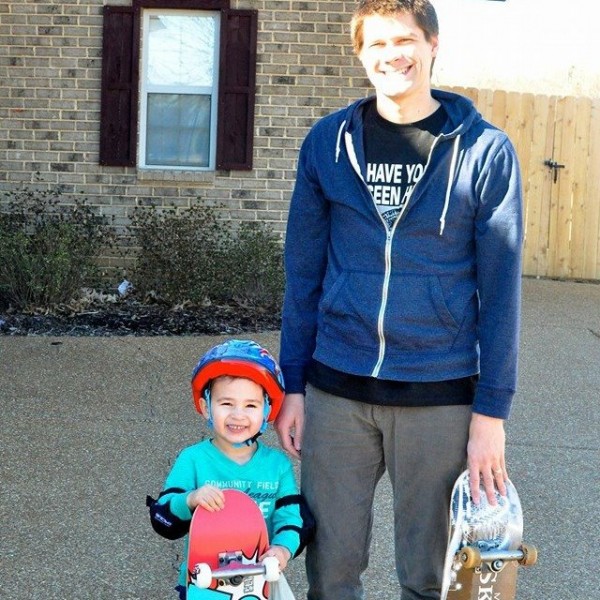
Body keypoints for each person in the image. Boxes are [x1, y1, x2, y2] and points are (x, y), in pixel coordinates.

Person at [275, 1, 523, 598]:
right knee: (330, 573)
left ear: (432, 44)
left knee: (430, 578)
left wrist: (491, 414)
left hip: (438, 398)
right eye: (378, 44)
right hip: (337, 393)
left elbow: (502, 291)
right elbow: (302, 273)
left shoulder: (484, 151)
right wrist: (292, 385)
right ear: (361, 55)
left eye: (406, 40)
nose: (394, 55)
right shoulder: (327, 145)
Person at [147, 339, 314, 600]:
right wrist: (189, 500)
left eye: (251, 405)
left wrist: (283, 549)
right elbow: (162, 519)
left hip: (259, 585)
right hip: (202, 585)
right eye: (226, 403)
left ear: (268, 410)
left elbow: (293, 518)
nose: (238, 415)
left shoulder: (277, 466)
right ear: (206, 407)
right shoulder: (193, 459)